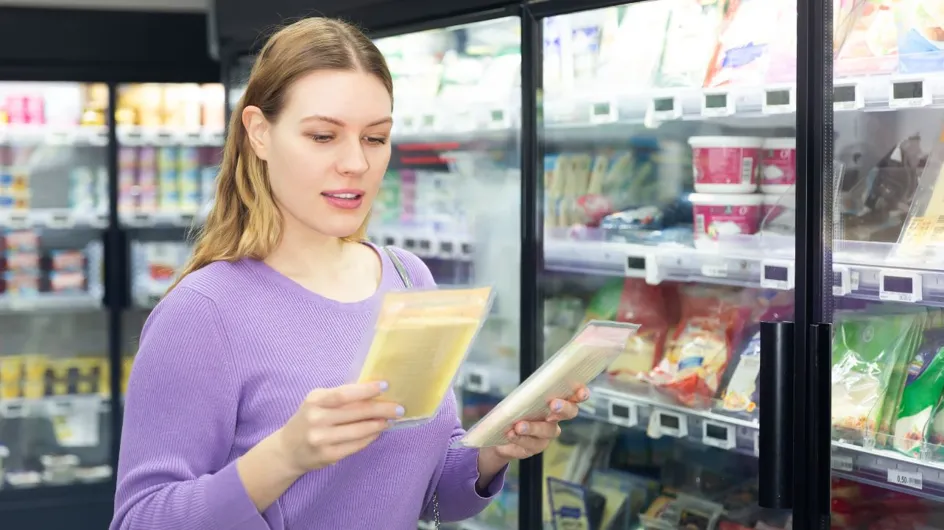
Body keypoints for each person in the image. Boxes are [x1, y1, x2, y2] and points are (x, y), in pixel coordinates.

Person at [110, 17, 588, 530]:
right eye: (323, 136)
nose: (355, 163)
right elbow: (141, 519)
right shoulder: (203, 312)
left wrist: (495, 449)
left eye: (375, 138)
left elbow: (428, 495)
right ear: (259, 133)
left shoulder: (407, 277)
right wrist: (285, 455)